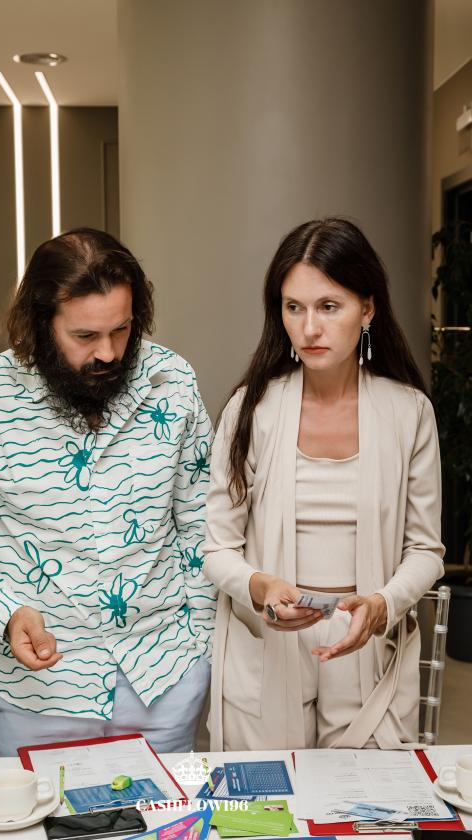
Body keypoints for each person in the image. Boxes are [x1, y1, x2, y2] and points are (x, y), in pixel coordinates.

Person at [0, 228, 216, 756]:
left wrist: (200, 643)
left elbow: (200, 521)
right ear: (40, 323)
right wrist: (6, 611)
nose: (109, 352)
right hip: (38, 692)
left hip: (164, 676)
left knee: (169, 809)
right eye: (84, 336)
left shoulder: (172, 382)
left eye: (122, 329)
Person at [203, 217, 444, 751]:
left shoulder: (409, 413)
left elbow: (426, 549)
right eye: (294, 307)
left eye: (329, 307)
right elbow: (217, 549)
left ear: (368, 309)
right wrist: (261, 588)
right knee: (268, 803)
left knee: (366, 803)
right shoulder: (251, 410)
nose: (309, 328)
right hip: (268, 648)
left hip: (368, 651)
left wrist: (383, 604)